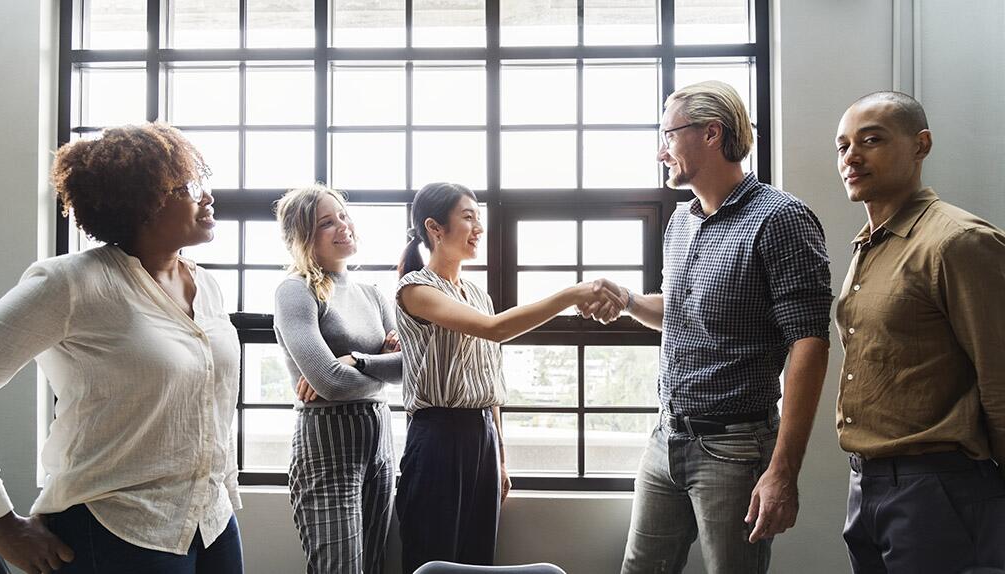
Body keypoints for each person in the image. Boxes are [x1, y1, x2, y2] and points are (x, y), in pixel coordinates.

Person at [583, 80, 833, 574]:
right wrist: (629, 301)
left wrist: (783, 470)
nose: (661, 151)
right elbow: (680, 309)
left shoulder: (780, 218)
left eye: (668, 135)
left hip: (736, 449)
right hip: (666, 437)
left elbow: (810, 343)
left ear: (712, 133)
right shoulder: (682, 220)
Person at [0, 123, 243, 573]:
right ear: (142, 203)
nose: (206, 196)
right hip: (114, 528)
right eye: (185, 187)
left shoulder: (208, 286)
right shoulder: (70, 283)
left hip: (211, 521)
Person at [394, 182, 621, 574]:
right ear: (435, 228)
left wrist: (499, 457)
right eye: (468, 218)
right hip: (436, 440)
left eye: (478, 218)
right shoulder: (415, 289)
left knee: (478, 557)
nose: (478, 228)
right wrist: (571, 294)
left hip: (481, 438)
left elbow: (489, 380)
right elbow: (495, 330)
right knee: (433, 558)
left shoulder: (478, 295)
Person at [834, 91, 1005, 573]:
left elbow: (1000, 376)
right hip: (867, 485)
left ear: (920, 145)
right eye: (842, 146)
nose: (852, 156)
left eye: (871, 140)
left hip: (940, 485)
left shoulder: (959, 242)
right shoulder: (870, 246)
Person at [273, 184, 402, 574]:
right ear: (303, 238)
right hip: (326, 441)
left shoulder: (373, 294)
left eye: (343, 215)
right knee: (339, 569)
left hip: (380, 439)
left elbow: (410, 369)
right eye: (327, 222)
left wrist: (357, 361)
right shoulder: (295, 291)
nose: (342, 226)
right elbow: (329, 383)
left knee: (375, 565)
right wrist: (378, 358)